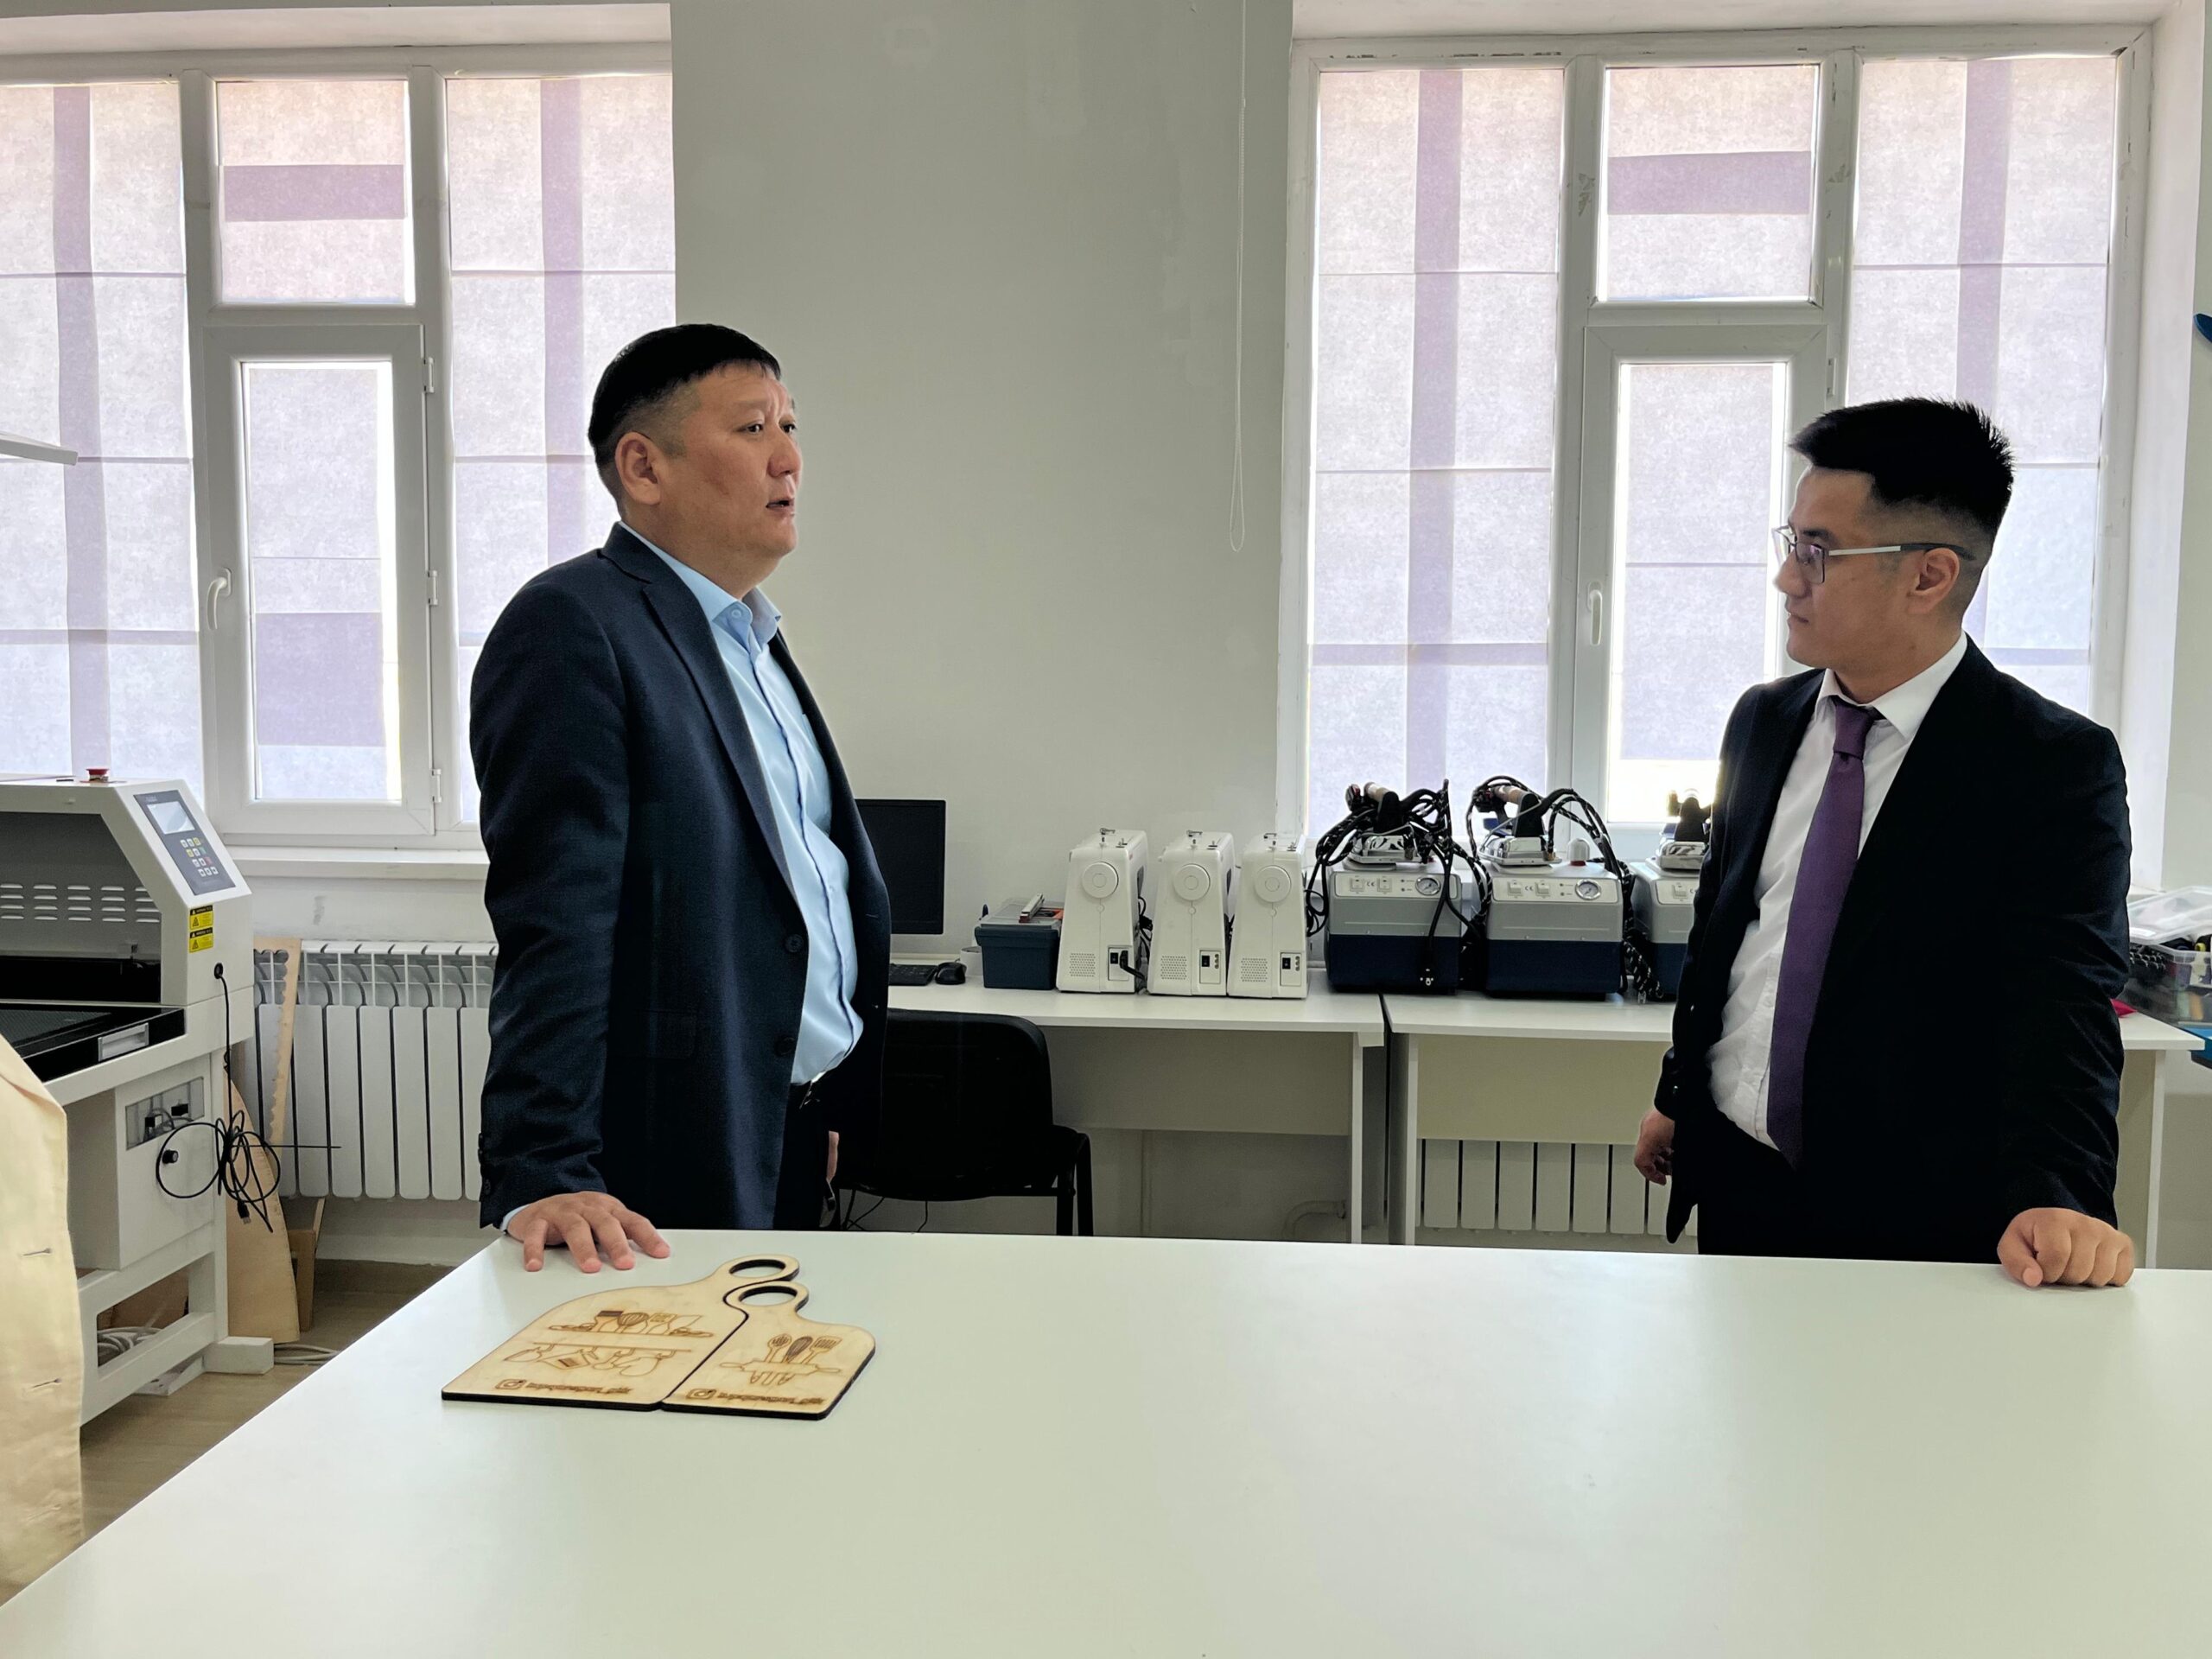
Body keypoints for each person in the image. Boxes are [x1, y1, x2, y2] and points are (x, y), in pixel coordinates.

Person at [1633, 397, 2134, 1288]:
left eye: (1817, 552)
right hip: (1740, 1181)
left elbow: (2062, 1006)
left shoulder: (2048, 765)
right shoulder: (1763, 722)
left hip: (1915, 1220)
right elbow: (1726, 936)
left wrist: (2061, 1192)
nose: (1787, 579)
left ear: (1929, 576)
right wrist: (1680, 1092)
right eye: (1790, 543)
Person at [472, 324, 890, 1271]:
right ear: (643, 467)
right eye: (752, 429)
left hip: (780, 1118)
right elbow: (555, 920)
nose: (789, 458)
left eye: (789, 426)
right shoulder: (573, 625)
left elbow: (794, 883)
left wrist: (816, 1087)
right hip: (664, 1147)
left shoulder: (750, 639)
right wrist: (544, 1164)